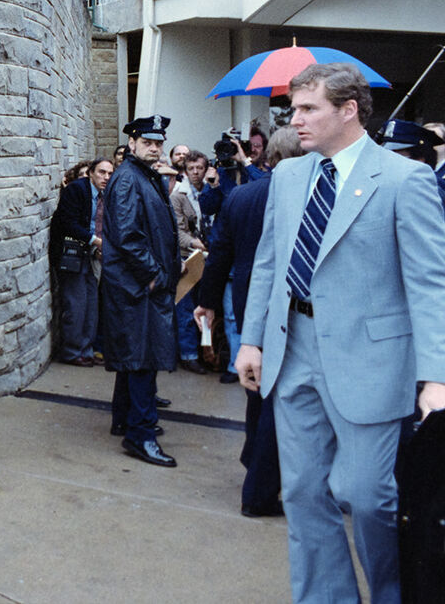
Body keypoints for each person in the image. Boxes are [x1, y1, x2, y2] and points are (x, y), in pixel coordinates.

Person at [236, 63, 445, 603]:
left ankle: (393, 593)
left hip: (372, 364)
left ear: (348, 110)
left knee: (369, 496)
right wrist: (252, 339)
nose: (295, 120)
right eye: (294, 109)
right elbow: (269, 264)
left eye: (309, 109)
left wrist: (435, 377)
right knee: (303, 493)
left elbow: (430, 286)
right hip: (293, 353)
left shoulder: (405, 179)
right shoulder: (286, 177)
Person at [194, 126, 304, 518]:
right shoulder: (297, 195)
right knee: (280, 395)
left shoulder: (241, 195)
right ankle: (261, 480)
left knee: (256, 386)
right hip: (285, 309)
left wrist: (208, 302)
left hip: (246, 305)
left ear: (268, 157)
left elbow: (219, 251)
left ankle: (253, 455)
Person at [99, 115, 180, 468]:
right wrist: (154, 276)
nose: (155, 148)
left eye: (159, 143)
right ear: (131, 144)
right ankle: (140, 434)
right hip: (136, 288)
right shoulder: (130, 178)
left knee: (133, 358)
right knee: (143, 360)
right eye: (148, 142)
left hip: (136, 286)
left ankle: (125, 420)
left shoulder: (141, 175)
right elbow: (130, 236)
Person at [51, 158, 114, 367]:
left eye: (109, 174)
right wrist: (95, 241)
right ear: (91, 173)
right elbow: (66, 222)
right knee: (75, 304)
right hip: (70, 254)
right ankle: (71, 352)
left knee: (91, 303)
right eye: (101, 172)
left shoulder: (106, 195)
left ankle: (86, 350)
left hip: (90, 254)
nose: (105, 177)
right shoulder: (77, 190)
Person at [171, 149, 209, 375]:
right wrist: (198, 244)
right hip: (188, 257)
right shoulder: (178, 196)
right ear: (185, 170)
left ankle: (207, 352)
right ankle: (189, 355)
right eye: (191, 168)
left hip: (208, 258)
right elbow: (177, 232)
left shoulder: (212, 191)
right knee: (185, 309)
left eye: (200, 168)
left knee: (205, 307)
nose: (196, 173)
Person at [375, 119, 445, 212]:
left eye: (395, 156)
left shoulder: (428, 190)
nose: (387, 162)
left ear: (420, 159)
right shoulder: (385, 183)